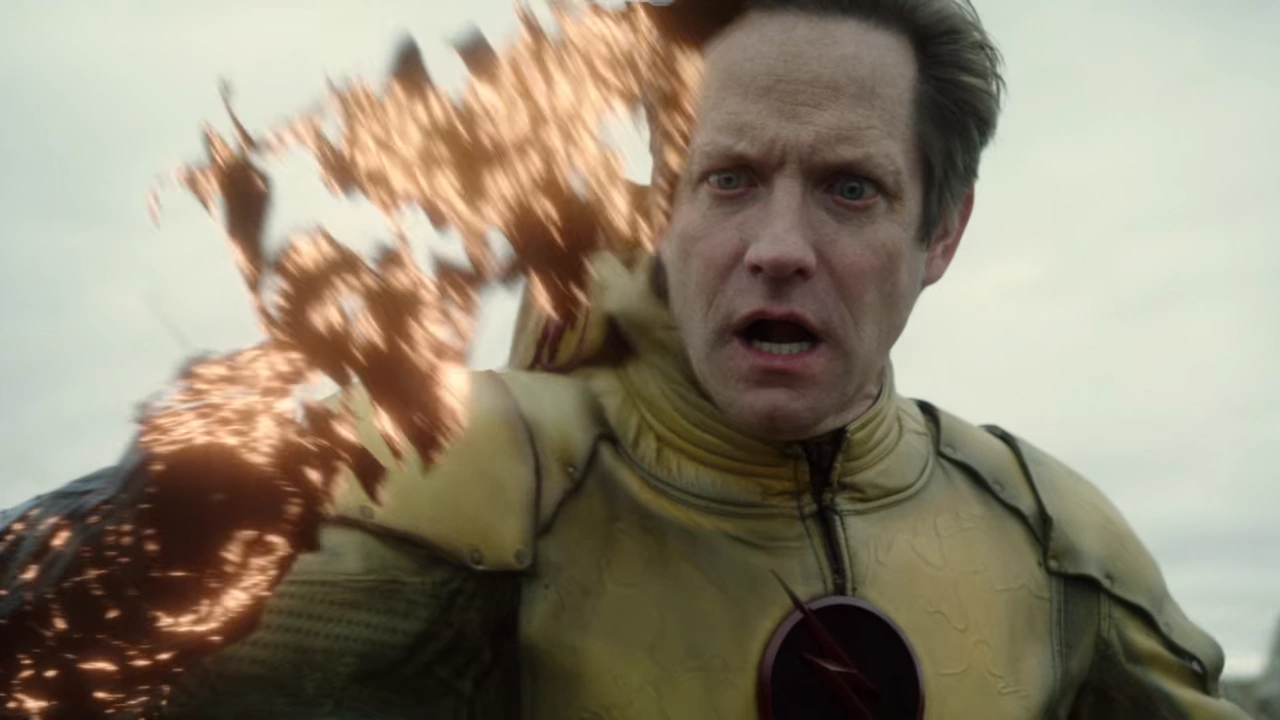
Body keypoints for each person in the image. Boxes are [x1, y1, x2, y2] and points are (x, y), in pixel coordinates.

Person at [0, 0, 1253, 718]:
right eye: (729, 179)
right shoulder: (467, 476)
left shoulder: (1050, 541)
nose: (777, 248)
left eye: (849, 189)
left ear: (942, 232)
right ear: (663, 207)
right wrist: (139, 533)